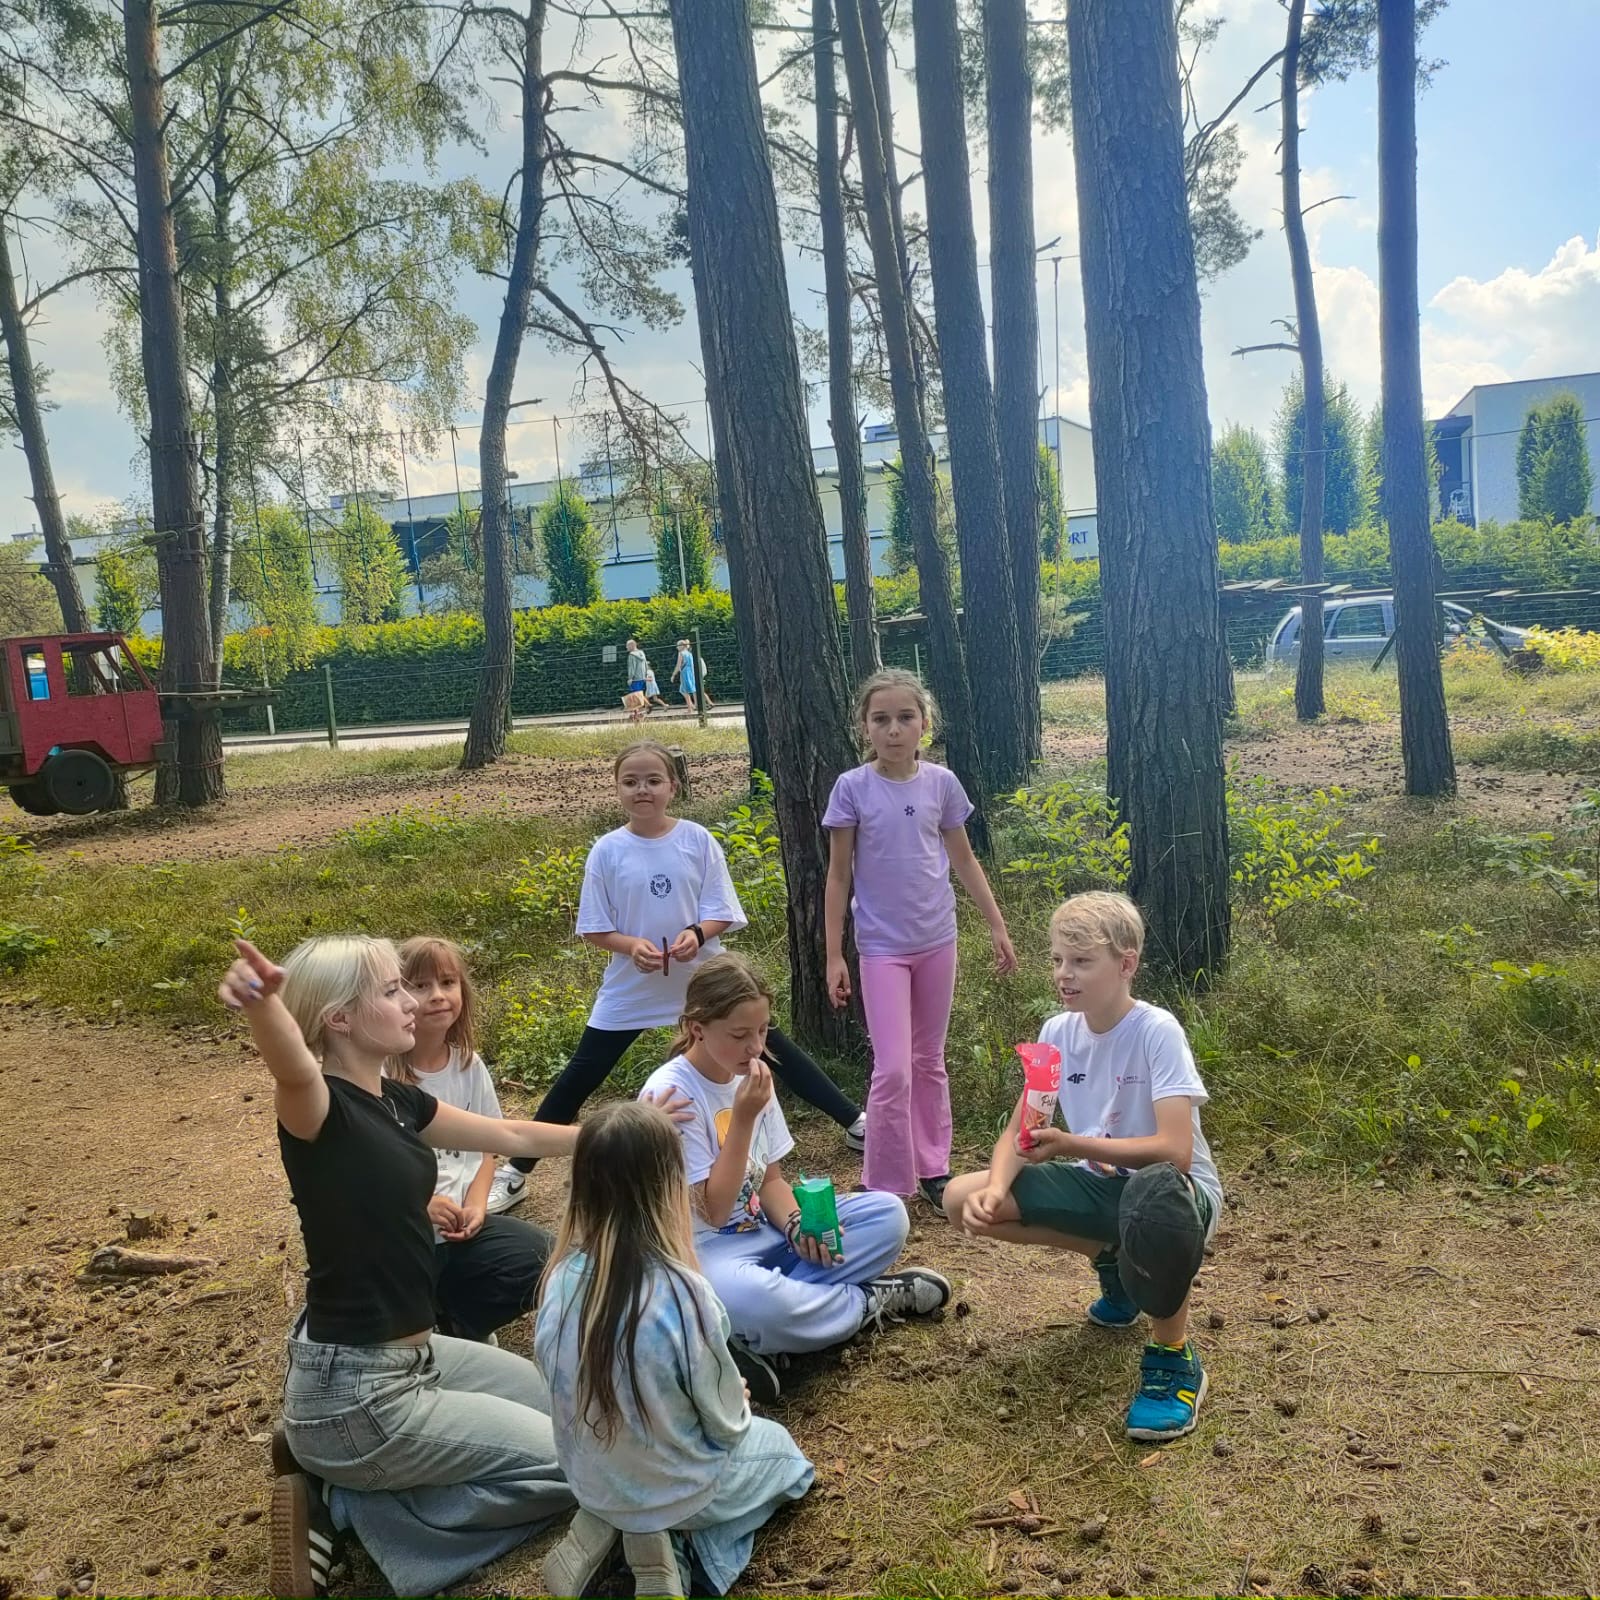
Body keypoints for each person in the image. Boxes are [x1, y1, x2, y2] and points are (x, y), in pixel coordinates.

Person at [218, 934, 582, 1598]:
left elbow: (510, 1135)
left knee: (551, 1401)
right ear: (338, 1018)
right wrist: (264, 1005)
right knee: (580, 1471)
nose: (412, 1001)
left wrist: (620, 1134)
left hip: (415, 1357)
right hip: (357, 1392)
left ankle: (330, 1467)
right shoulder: (320, 1110)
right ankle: (353, 1506)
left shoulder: (396, 1098)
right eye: (392, 991)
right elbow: (291, 1069)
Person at [940, 892, 1223, 1442]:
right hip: (1102, 1187)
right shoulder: (1057, 1033)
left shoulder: (1156, 1030)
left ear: (1126, 964)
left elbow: (1175, 1152)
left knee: (1154, 1198)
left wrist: (1072, 1143)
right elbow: (1021, 1130)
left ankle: (1173, 1358)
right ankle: (1113, 1259)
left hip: (1179, 1198)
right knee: (960, 1198)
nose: (1063, 974)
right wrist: (996, 1187)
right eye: (1056, 960)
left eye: (1081, 961)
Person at [509, 740, 866, 1170]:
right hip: (633, 986)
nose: (643, 790)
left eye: (653, 780)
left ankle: (853, 1121)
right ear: (617, 789)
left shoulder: (696, 839)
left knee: (769, 1045)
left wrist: (696, 934)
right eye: (631, 782)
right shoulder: (607, 850)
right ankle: (517, 1168)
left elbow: (722, 911)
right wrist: (630, 946)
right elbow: (594, 927)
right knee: (583, 1071)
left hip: (707, 982)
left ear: (673, 786)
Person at [639, 954, 950, 1401]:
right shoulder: (672, 1093)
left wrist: (795, 1226)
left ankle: (758, 1330)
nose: (755, 1047)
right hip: (705, 1250)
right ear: (697, 1028)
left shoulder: (751, 1076)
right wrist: (743, 1119)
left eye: (763, 1031)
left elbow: (770, 1181)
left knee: (886, 1215)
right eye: (740, 1035)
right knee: (751, 1301)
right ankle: (864, 1302)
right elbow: (714, 1210)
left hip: (765, 1236)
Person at [536, 1101, 814, 1598]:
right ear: (669, 1185)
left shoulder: (558, 1279)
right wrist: (738, 1398)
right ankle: (685, 1545)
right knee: (788, 1460)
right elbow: (727, 1427)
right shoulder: (685, 1293)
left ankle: (613, 1523)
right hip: (677, 1491)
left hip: (592, 1482)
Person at [823, 668, 1016, 1210]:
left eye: (905, 717)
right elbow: (837, 876)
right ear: (864, 726)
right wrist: (834, 954)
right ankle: (884, 1182)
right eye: (881, 719)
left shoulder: (942, 784)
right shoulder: (852, 788)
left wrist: (997, 925)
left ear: (924, 723)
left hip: (937, 940)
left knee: (928, 1059)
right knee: (893, 1069)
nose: (894, 729)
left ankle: (934, 1167)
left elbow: (964, 859)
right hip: (881, 948)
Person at [396, 937, 550, 1343]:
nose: (437, 995)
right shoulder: (382, 1076)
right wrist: (419, 1205)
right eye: (420, 985)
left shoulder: (468, 1064)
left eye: (448, 982)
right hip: (403, 1236)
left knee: (550, 1259)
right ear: (395, 996)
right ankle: (427, 1319)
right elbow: (370, 1174)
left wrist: (477, 1207)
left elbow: (486, 1151)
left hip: (462, 1228)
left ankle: (463, 1321)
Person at [671, 638, 698, 711]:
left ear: (682, 646)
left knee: (685, 691)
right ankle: (694, 705)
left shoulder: (681, 653)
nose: (677, 647)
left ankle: (690, 708)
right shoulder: (689, 654)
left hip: (684, 672)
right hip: (691, 672)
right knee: (688, 689)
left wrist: (673, 675)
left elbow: (678, 665)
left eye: (678, 646)